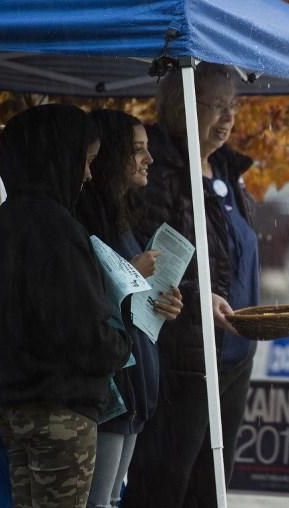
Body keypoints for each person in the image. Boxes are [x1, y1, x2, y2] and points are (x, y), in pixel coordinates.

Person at [0, 104, 132, 507]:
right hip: (61, 411)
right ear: (60, 156)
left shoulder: (4, 222)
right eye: (86, 161)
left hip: (13, 409)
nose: (87, 174)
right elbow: (81, 332)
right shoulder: (58, 229)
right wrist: (123, 342)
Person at [123, 63, 258, 507]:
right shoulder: (159, 170)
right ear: (181, 105)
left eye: (231, 106)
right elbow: (147, 261)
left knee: (212, 484)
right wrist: (200, 298)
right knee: (166, 481)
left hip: (232, 352)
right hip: (184, 352)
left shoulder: (223, 168)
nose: (228, 118)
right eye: (216, 106)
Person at [75, 109, 184, 508]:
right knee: (97, 502)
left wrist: (163, 303)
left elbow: (130, 301)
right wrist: (131, 273)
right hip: (110, 390)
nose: (148, 159)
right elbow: (85, 299)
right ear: (112, 155)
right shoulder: (84, 218)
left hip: (134, 391)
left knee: (111, 500)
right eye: (137, 150)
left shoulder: (123, 217)